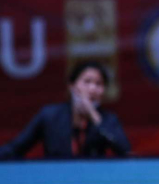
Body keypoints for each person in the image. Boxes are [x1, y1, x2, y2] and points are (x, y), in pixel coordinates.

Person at [0, 61, 130, 159]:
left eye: (99, 84)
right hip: (57, 181)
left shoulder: (107, 119)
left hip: (93, 182)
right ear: (72, 86)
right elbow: (15, 149)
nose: (92, 89)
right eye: (87, 81)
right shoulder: (50, 116)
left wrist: (93, 115)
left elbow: (125, 151)